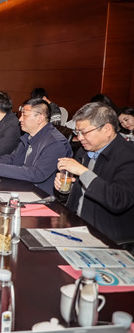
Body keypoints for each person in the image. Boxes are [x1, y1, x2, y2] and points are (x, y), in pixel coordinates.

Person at [55, 103, 134, 247]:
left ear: (107, 129)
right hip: (73, 226)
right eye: (77, 132)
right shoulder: (84, 151)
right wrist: (65, 188)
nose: (79, 138)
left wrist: (83, 172)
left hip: (106, 237)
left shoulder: (128, 156)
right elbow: (78, 195)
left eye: (84, 132)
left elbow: (118, 201)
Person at [0, 99, 72, 195]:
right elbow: (13, 158)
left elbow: (37, 174)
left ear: (40, 118)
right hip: (21, 186)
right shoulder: (28, 135)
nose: (20, 119)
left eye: (25, 115)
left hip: (40, 194)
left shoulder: (56, 143)